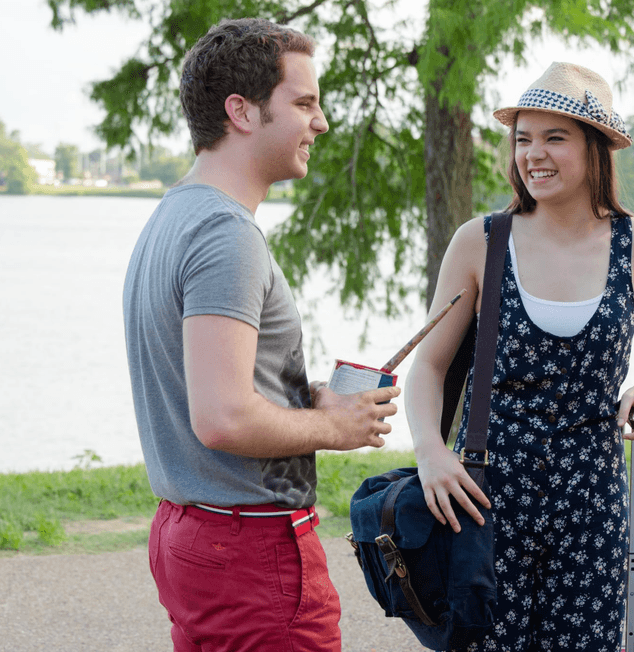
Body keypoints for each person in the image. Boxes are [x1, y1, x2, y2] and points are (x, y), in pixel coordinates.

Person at [122, 18, 400, 652]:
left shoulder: (174, 215)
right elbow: (221, 418)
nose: (321, 123)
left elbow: (224, 390)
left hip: (192, 534)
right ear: (240, 112)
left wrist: (310, 400)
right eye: (304, 103)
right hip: (246, 550)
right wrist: (335, 429)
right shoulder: (224, 236)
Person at [405, 62, 634, 651]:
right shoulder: (481, 240)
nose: (534, 154)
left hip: (592, 500)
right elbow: (428, 365)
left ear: (596, 149)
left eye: (554, 137)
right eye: (523, 138)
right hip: (485, 496)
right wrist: (431, 453)